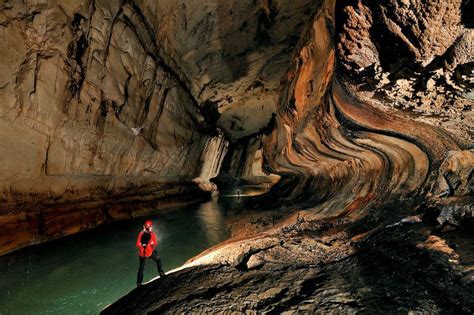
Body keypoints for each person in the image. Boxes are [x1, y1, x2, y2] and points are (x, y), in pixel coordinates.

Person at [136, 220, 166, 287]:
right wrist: (150, 246)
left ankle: (138, 283)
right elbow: (154, 243)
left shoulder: (141, 233)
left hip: (142, 254)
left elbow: (138, 244)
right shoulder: (151, 234)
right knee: (158, 259)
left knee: (141, 268)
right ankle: (161, 273)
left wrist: (143, 247)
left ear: (144, 226)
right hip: (149, 253)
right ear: (150, 227)